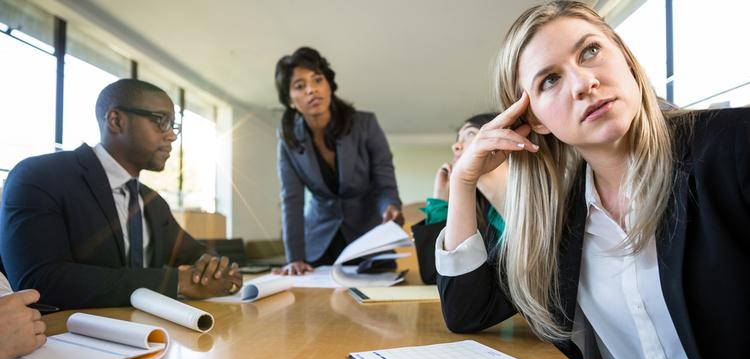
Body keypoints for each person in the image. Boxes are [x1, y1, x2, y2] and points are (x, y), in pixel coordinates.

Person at [436, 2, 749, 359]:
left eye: (590, 52)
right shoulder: (559, 221)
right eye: (550, 80)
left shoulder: (735, 146)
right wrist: (462, 184)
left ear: (626, 59)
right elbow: (466, 311)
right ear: (536, 121)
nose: (583, 83)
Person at [0, 79, 243, 310]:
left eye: (173, 126)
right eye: (161, 121)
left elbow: (193, 251)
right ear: (116, 121)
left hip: (153, 336)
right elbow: (38, 281)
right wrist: (178, 282)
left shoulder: (152, 202)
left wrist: (217, 269)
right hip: (65, 339)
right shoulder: (39, 176)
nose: (171, 135)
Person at [273, 47, 402, 275]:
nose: (312, 90)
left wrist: (390, 207)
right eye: (300, 86)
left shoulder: (366, 125)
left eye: (317, 80)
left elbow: (384, 182)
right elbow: (291, 201)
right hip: (320, 242)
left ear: (328, 85)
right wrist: (294, 258)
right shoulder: (288, 139)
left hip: (369, 238)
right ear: (290, 100)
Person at [411, 113, 506, 284]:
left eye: (469, 134)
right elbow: (435, 275)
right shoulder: (476, 209)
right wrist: (441, 199)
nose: (456, 146)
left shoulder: (533, 201)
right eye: (457, 139)